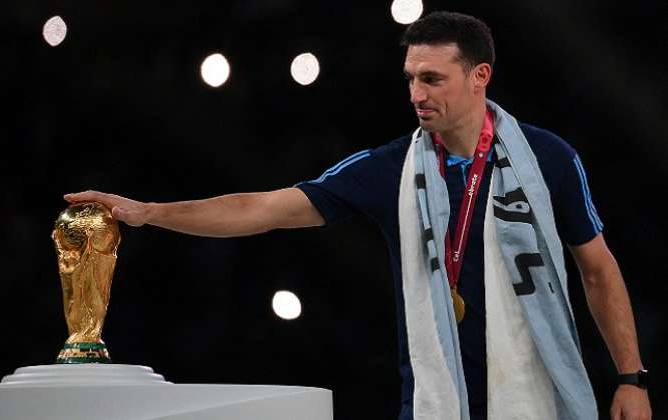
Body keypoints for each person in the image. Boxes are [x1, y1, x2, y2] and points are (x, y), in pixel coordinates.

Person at [64, 11, 651, 420]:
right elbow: (266, 209)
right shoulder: (389, 169)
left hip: (535, 401)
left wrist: (631, 378)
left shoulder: (549, 159)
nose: (417, 93)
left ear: (480, 76)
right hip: (430, 404)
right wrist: (148, 212)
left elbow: (597, 270)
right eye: (410, 80)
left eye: (432, 78)